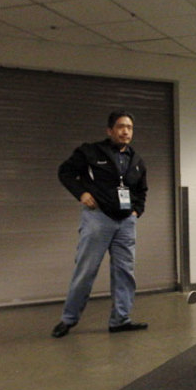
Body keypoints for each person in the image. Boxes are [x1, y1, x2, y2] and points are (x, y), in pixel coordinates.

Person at [51, 111, 149, 338]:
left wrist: (136, 211)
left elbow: (142, 191)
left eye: (130, 127)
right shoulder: (90, 152)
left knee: (125, 272)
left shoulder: (136, 161)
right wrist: (81, 193)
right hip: (98, 218)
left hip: (125, 222)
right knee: (86, 270)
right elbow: (65, 172)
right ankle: (68, 319)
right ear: (110, 130)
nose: (126, 131)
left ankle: (120, 319)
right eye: (121, 126)